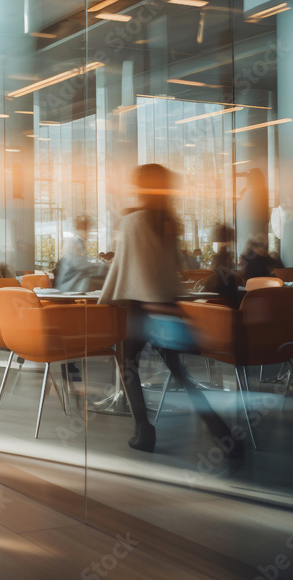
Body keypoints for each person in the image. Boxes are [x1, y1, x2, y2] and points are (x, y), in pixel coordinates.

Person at [100, 164, 239, 461]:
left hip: (142, 306)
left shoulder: (132, 222)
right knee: (180, 374)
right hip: (166, 304)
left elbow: (126, 267)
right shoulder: (170, 222)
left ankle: (143, 430)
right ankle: (220, 431)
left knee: (128, 366)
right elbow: (171, 267)